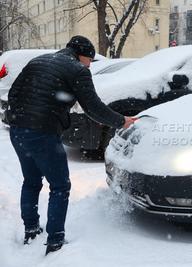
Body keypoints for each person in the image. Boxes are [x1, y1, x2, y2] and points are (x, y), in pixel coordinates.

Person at [6, 35, 137, 255]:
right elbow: (93, 108)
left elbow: (13, 93)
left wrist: (21, 117)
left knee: (31, 181)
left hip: (18, 129)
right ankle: (55, 241)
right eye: (89, 60)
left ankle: (31, 229)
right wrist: (121, 121)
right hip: (43, 133)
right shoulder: (77, 69)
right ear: (81, 55)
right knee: (60, 186)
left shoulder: (39, 60)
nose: (90, 65)